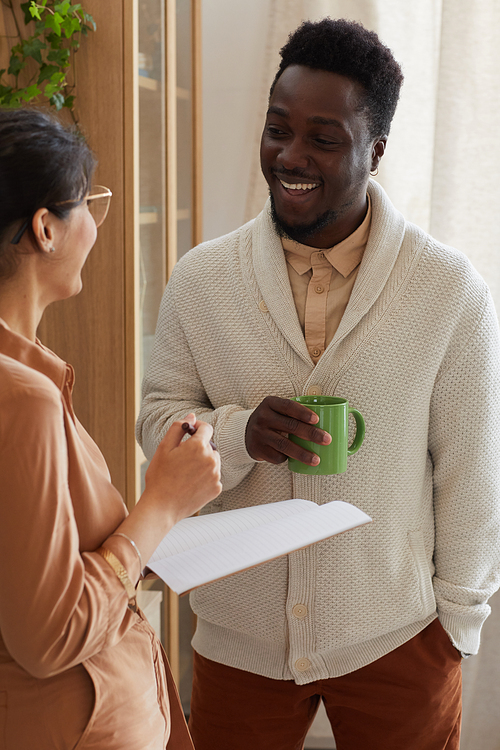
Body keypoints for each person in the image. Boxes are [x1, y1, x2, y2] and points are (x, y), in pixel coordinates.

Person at [137, 18, 500, 750]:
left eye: (324, 140)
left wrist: (456, 624)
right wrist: (237, 433)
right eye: (278, 130)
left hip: (398, 640)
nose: (290, 156)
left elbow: (472, 469)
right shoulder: (202, 279)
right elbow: (158, 419)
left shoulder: (447, 290)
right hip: (238, 638)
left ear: (377, 150)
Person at [0, 107, 222, 750]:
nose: (97, 228)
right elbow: (49, 637)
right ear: (45, 227)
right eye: (89, 206)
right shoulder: (24, 400)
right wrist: (161, 506)